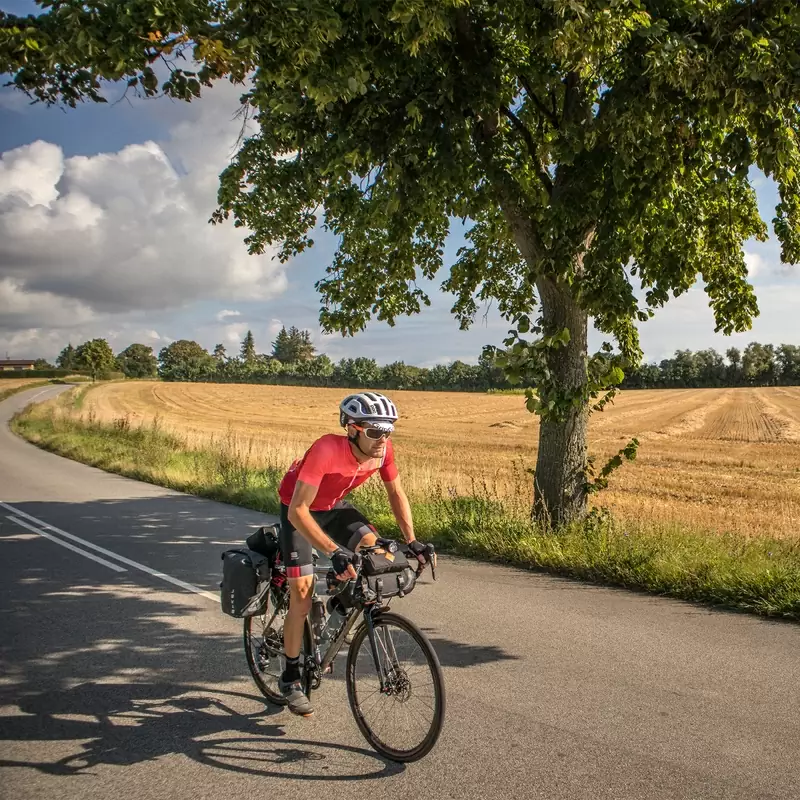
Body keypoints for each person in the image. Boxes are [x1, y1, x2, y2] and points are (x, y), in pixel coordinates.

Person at [276, 391, 430, 716]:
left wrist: (412, 540)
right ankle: (291, 677)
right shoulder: (326, 449)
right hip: (299, 511)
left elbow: (396, 492)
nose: (382, 439)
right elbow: (298, 510)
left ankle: (337, 604)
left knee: (376, 554)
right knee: (301, 596)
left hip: (333, 508)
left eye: (387, 431)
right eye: (374, 431)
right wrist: (333, 551)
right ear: (352, 428)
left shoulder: (382, 451)